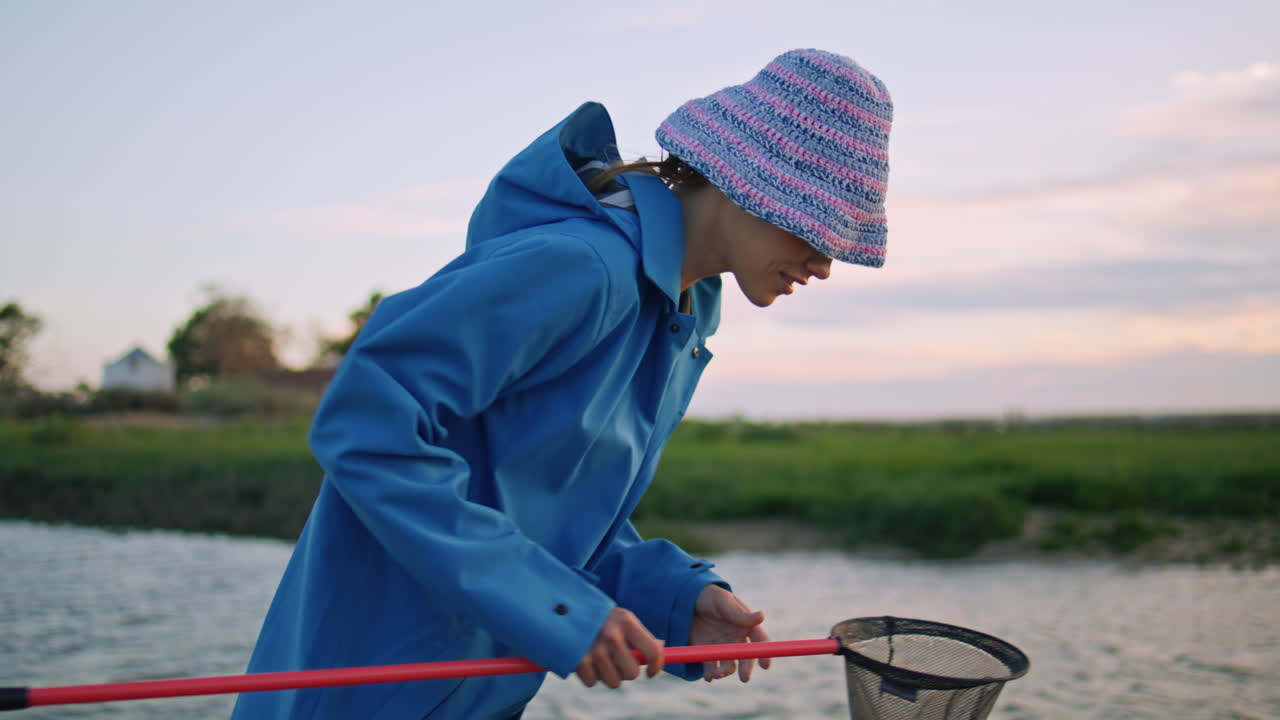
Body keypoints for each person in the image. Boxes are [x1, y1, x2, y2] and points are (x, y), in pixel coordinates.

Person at [231, 48, 892, 719]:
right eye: (815, 224)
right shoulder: (581, 268)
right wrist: (552, 606)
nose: (825, 262)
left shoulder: (682, 314)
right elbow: (364, 423)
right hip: (358, 691)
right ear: (746, 182)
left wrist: (670, 598)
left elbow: (544, 513)